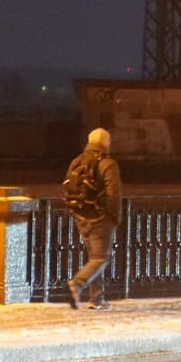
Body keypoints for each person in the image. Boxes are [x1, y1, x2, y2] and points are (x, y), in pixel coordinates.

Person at [63, 127, 122, 310]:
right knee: (101, 258)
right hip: (100, 217)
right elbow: (113, 193)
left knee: (94, 256)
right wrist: (113, 216)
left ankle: (96, 298)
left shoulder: (77, 161)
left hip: (81, 214)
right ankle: (76, 285)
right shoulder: (107, 164)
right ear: (105, 143)